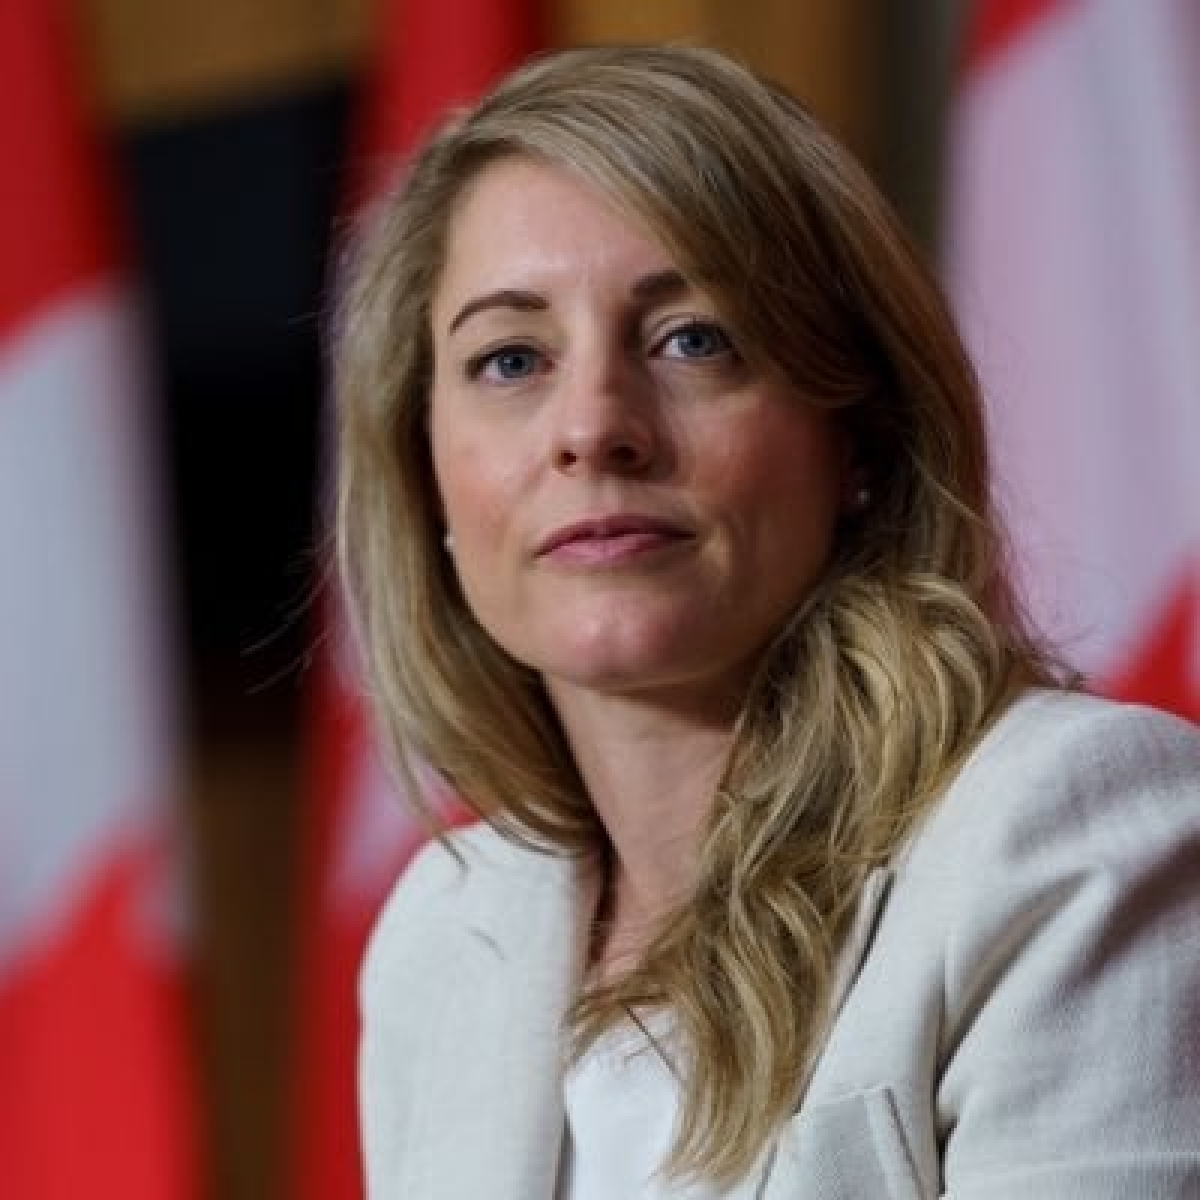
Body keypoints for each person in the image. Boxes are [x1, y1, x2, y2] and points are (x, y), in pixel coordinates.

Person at [334, 44, 1200, 1199]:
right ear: (427, 477)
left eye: (692, 340)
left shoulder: (1072, 837)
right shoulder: (446, 935)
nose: (592, 428)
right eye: (511, 359)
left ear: (861, 438)